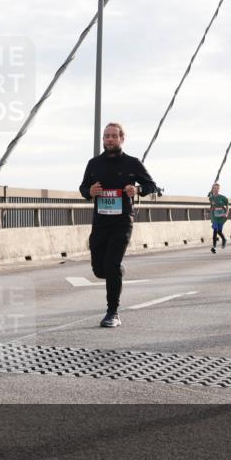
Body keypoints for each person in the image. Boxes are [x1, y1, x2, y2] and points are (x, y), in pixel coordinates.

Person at [79, 122, 158, 328]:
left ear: (122, 139)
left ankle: (112, 312)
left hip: (122, 222)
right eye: (106, 136)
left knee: (112, 265)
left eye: (114, 136)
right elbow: (83, 187)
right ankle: (116, 272)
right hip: (100, 223)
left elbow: (151, 185)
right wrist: (90, 192)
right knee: (99, 269)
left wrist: (138, 190)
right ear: (103, 139)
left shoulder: (132, 163)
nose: (110, 139)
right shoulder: (93, 164)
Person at [208, 183, 229, 253]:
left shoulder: (223, 198)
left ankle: (224, 239)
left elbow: (227, 206)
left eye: (217, 188)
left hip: (222, 217)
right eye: (214, 188)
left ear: (219, 189)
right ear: (212, 189)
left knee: (219, 231)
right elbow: (212, 206)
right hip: (214, 217)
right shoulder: (211, 198)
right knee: (215, 230)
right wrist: (208, 212)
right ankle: (214, 247)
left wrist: (226, 213)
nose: (216, 190)